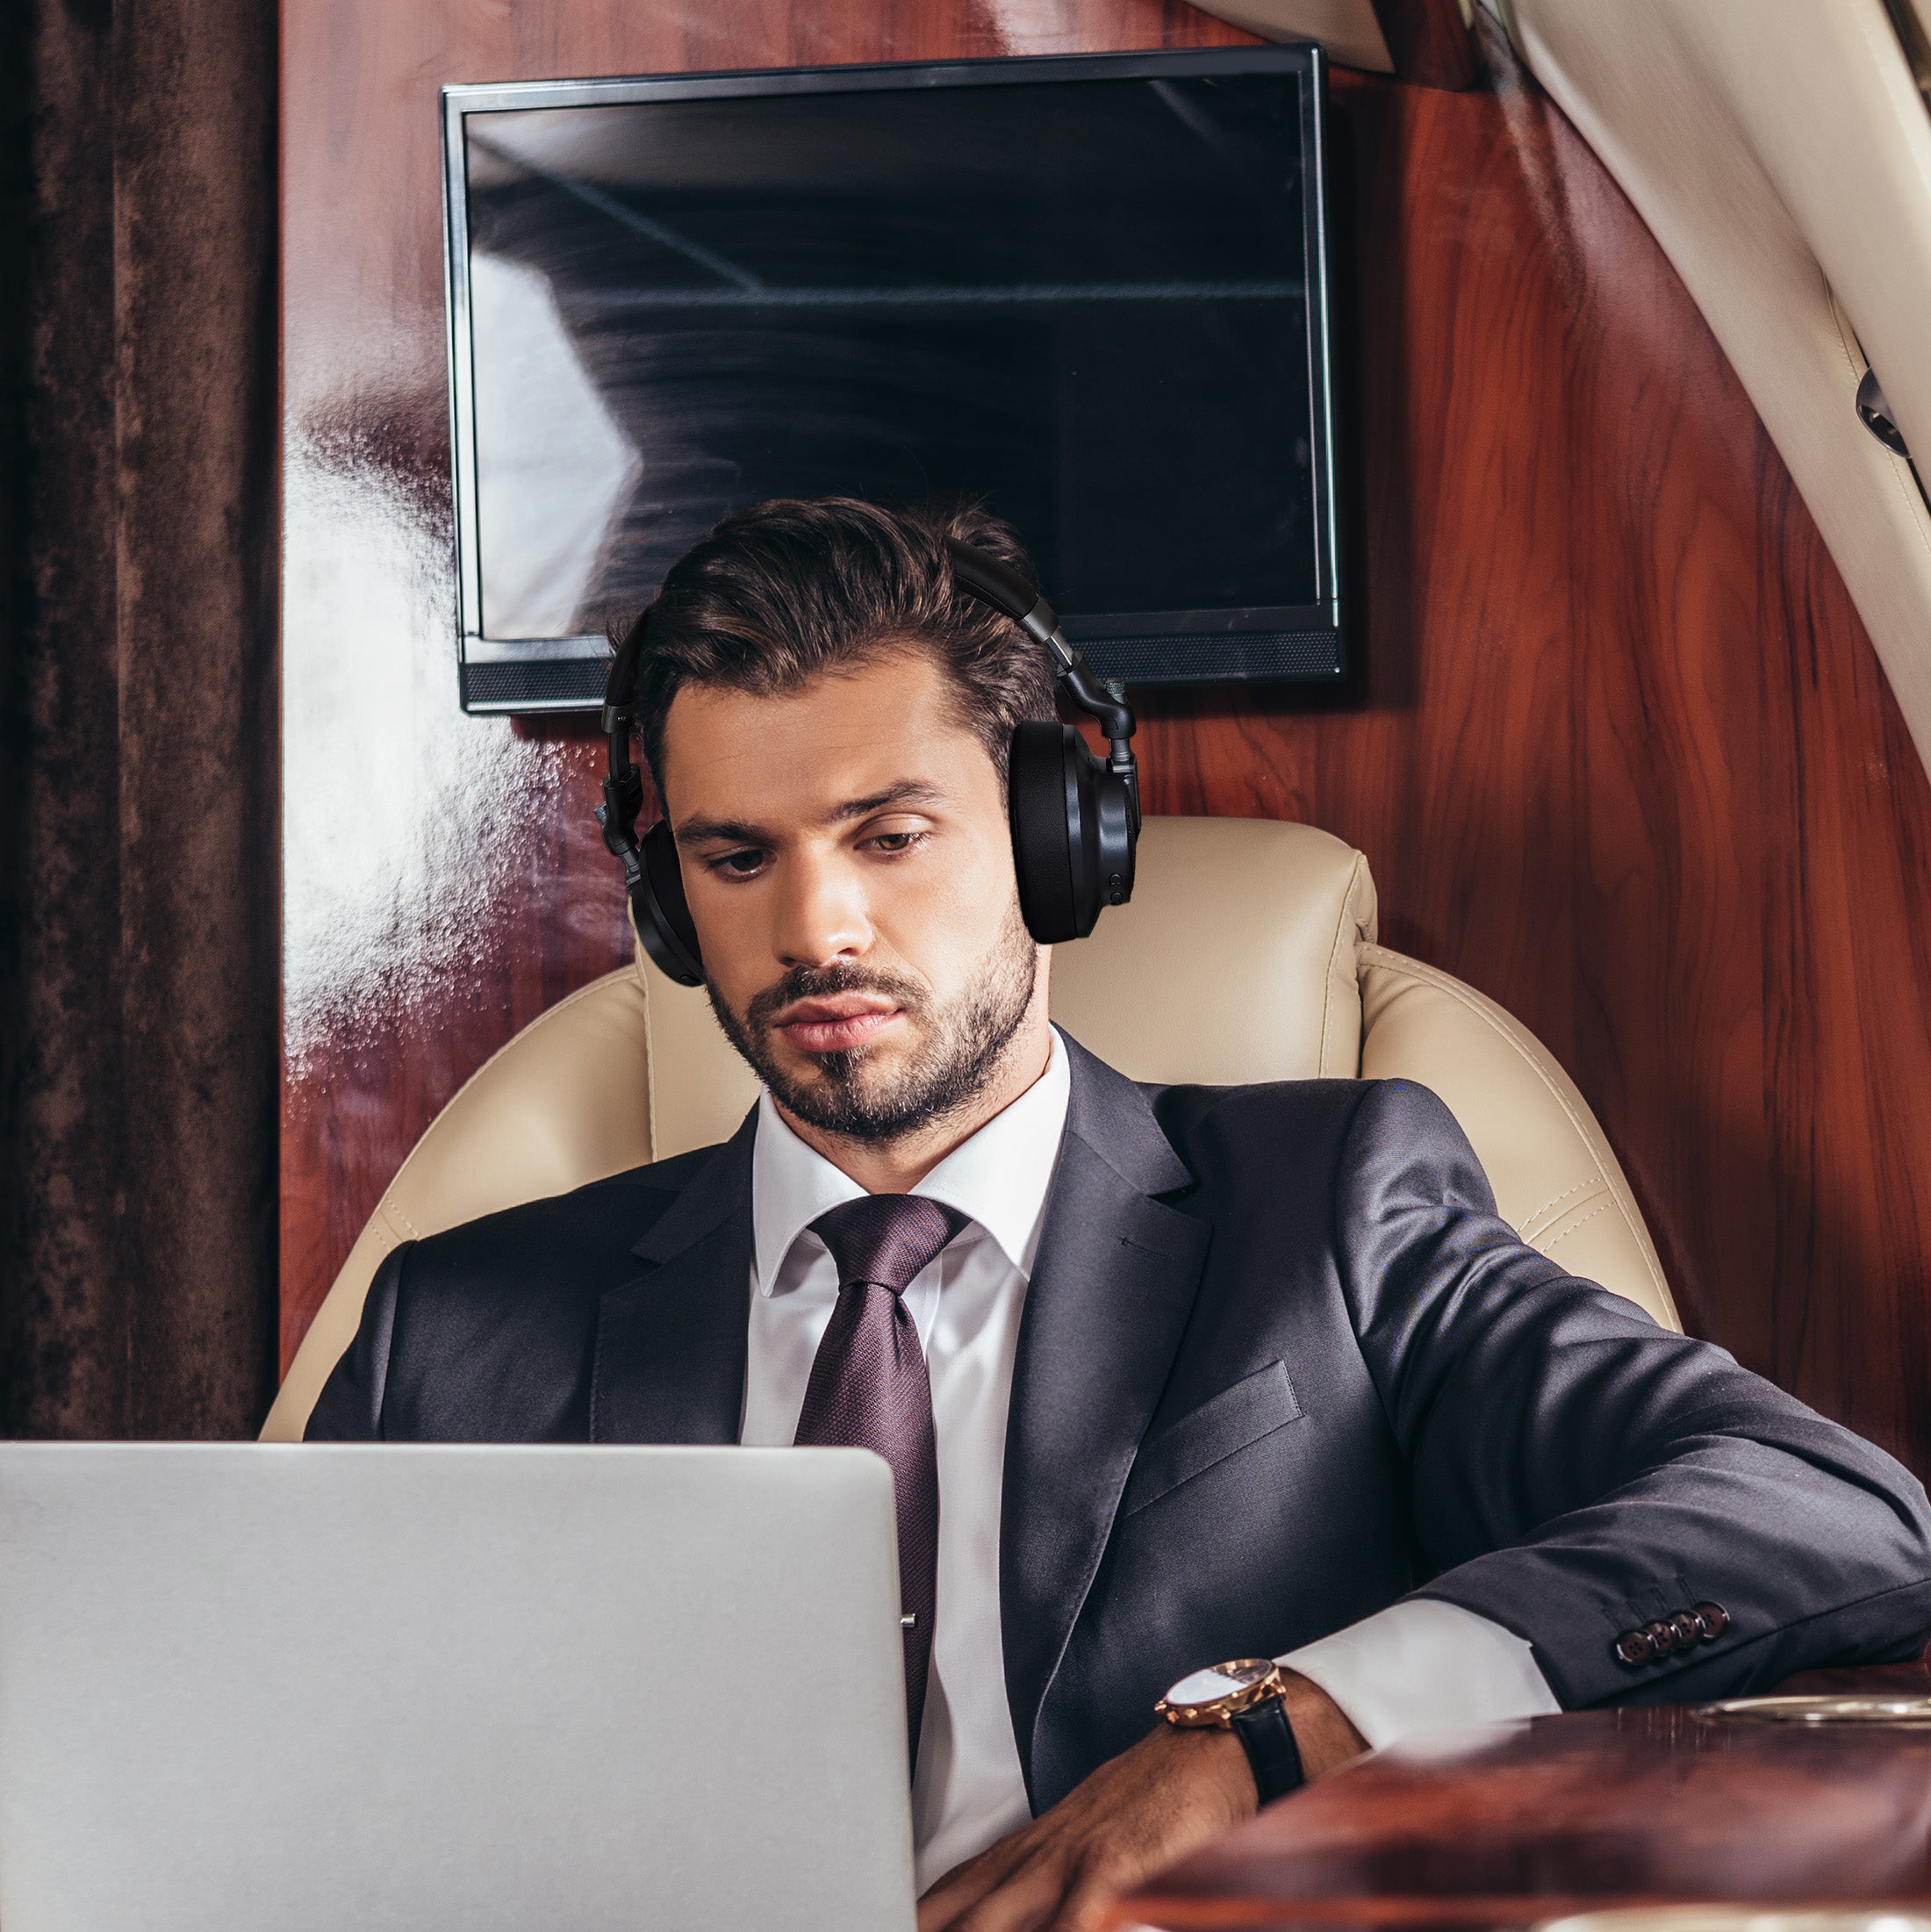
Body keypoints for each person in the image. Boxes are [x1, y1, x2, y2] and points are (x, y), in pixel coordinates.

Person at [307, 497, 1931, 1932]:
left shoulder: (1334, 1212)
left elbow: (1822, 1505)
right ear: (669, 903)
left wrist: (1271, 1729)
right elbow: (281, 1798)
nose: (817, 927)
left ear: (1047, 838)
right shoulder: (451, 1329)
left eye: (890, 835)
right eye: (738, 858)